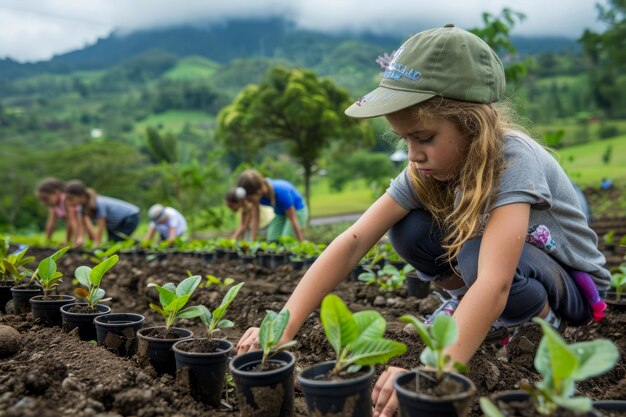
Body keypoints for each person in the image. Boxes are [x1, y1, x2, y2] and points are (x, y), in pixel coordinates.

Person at [235, 25, 610, 417]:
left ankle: (539, 328)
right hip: (507, 272)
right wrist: (283, 325)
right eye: (405, 141)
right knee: (410, 230)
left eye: (424, 137)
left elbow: (495, 281)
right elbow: (353, 242)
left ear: (470, 124)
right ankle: (471, 317)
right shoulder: (425, 169)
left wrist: (430, 373)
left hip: (572, 292)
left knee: (478, 256)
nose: (413, 154)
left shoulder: (512, 160)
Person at [236, 169, 308, 242]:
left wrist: (301, 242)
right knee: (272, 239)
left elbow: (293, 219)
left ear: (258, 191)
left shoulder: (281, 192)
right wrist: (252, 242)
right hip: (281, 213)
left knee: (287, 239)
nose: (249, 201)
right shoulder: (259, 195)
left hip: (297, 211)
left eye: (250, 199)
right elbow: (255, 219)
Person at [65, 180, 140, 246]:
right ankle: (134, 244)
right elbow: (81, 225)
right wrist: (80, 239)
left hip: (129, 217)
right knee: (112, 242)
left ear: (81, 196)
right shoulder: (82, 208)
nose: (70, 203)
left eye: (71, 199)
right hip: (115, 224)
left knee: (116, 242)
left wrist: (96, 244)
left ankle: (136, 245)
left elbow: (101, 226)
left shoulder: (98, 203)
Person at [35, 178, 83, 246]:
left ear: (56, 193)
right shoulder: (54, 206)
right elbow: (51, 224)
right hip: (75, 223)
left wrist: (75, 240)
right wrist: (47, 240)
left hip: (81, 221)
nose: (44, 203)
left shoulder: (66, 200)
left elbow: (72, 222)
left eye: (45, 199)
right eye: (42, 200)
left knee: (83, 238)